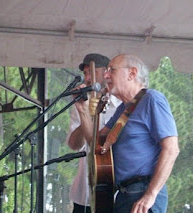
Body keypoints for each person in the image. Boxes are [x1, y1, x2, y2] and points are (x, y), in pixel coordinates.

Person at [75, 54, 180, 213]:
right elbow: (97, 145)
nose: (106, 75)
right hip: (123, 194)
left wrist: (150, 195)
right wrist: (82, 110)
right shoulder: (123, 109)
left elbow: (171, 149)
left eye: (112, 70)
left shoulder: (152, 99)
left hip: (142, 192)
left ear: (132, 73)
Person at [66, 53, 122, 213]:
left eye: (92, 72)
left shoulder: (121, 104)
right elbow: (74, 145)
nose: (88, 78)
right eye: (85, 74)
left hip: (114, 190)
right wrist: (85, 114)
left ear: (107, 72)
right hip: (84, 190)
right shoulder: (83, 102)